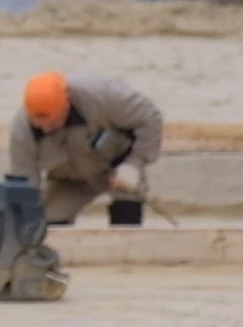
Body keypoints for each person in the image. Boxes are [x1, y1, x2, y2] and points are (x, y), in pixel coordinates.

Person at [8, 71, 163, 226]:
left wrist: (134, 164)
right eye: (38, 124)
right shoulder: (22, 131)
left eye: (52, 121)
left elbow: (150, 118)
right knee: (48, 218)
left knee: (127, 205)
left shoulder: (102, 96)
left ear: (66, 104)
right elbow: (25, 186)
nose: (46, 128)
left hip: (116, 167)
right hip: (68, 181)